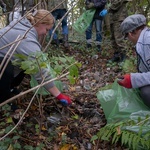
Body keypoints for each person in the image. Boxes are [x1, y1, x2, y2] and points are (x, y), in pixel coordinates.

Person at [0, 9, 72, 109]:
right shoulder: (26, 39)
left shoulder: (19, 25)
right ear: (40, 23)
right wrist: (59, 95)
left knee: (25, 64)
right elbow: (41, 72)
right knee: (7, 67)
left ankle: (10, 88)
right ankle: (3, 101)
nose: (46, 33)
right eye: (47, 29)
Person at [117, 14, 150, 108]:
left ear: (131, 33)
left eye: (127, 36)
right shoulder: (144, 39)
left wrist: (133, 79)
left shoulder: (147, 42)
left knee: (146, 92)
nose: (128, 40)